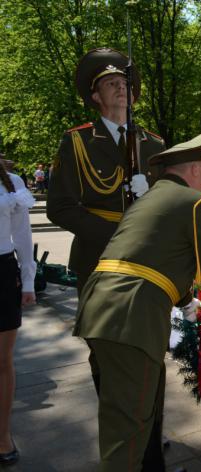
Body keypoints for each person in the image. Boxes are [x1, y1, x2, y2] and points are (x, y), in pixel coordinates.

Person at [73, 132, 201, 470]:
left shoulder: (148, 201)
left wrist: (185, 302)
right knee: (126, 428)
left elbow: (155, 257)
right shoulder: (196, 203)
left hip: (102, 307)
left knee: (140, 404)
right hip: (131, 315)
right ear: (195, 170)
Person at [47, 47, 166, 296]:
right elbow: (59, 207)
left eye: (125, 83)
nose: (121, 87)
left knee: (143, 331)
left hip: (147, 257)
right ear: (96, 96)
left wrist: (153, 197)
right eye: (111, 83)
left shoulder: (154, 144)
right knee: (101, 333)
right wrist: (117, 234)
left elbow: (169, 202)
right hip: (97, 256)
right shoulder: (77, 141)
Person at [0, 156, 36, 466]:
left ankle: (2, 435)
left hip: (1, 273)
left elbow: (23, 235)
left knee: (2, 361)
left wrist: (28, 281)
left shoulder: (11, 183)